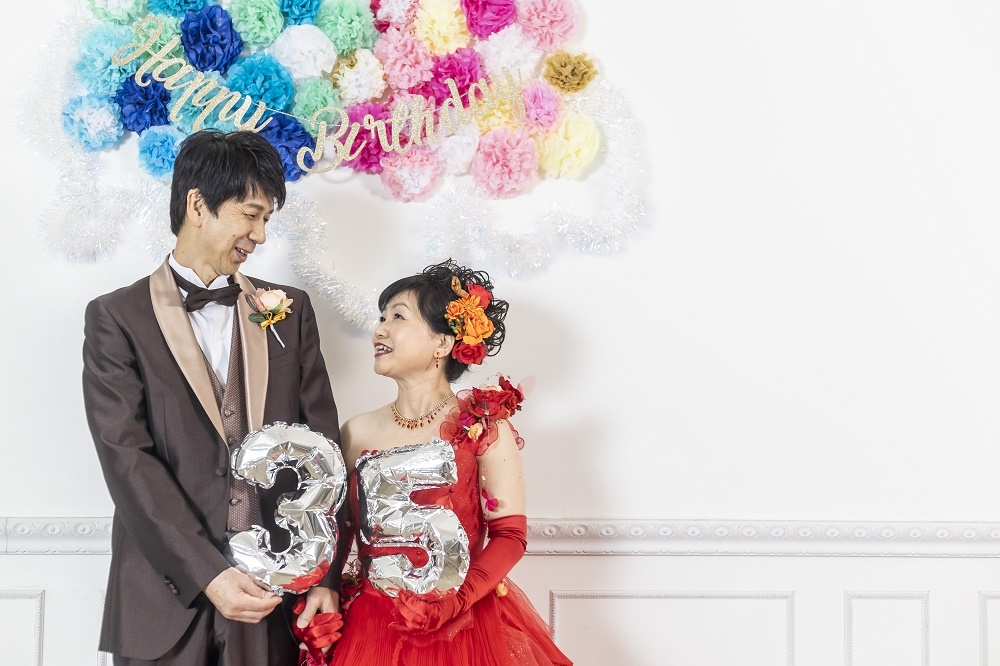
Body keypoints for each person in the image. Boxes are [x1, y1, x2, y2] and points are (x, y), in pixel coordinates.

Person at [82, 130, 341, 665]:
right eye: (251, 215)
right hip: (161, 597)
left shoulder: (291, 311)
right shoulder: (116, 318)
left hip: (273, 596)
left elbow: (322, 448)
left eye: (267, 219)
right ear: (198, 205)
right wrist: (208, 573)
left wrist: (323, 573)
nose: (260, 235)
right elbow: (127, 458)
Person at [329, 259, 572, 665]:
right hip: (372, 624)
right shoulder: (356, 431)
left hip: (462, 622)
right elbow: (341, 531)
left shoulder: (482, 424)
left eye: (397, 317)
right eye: (381, 317)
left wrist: (455, 602)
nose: (379, 330)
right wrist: (324, 595)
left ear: (442, 343)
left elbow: (510, 535)